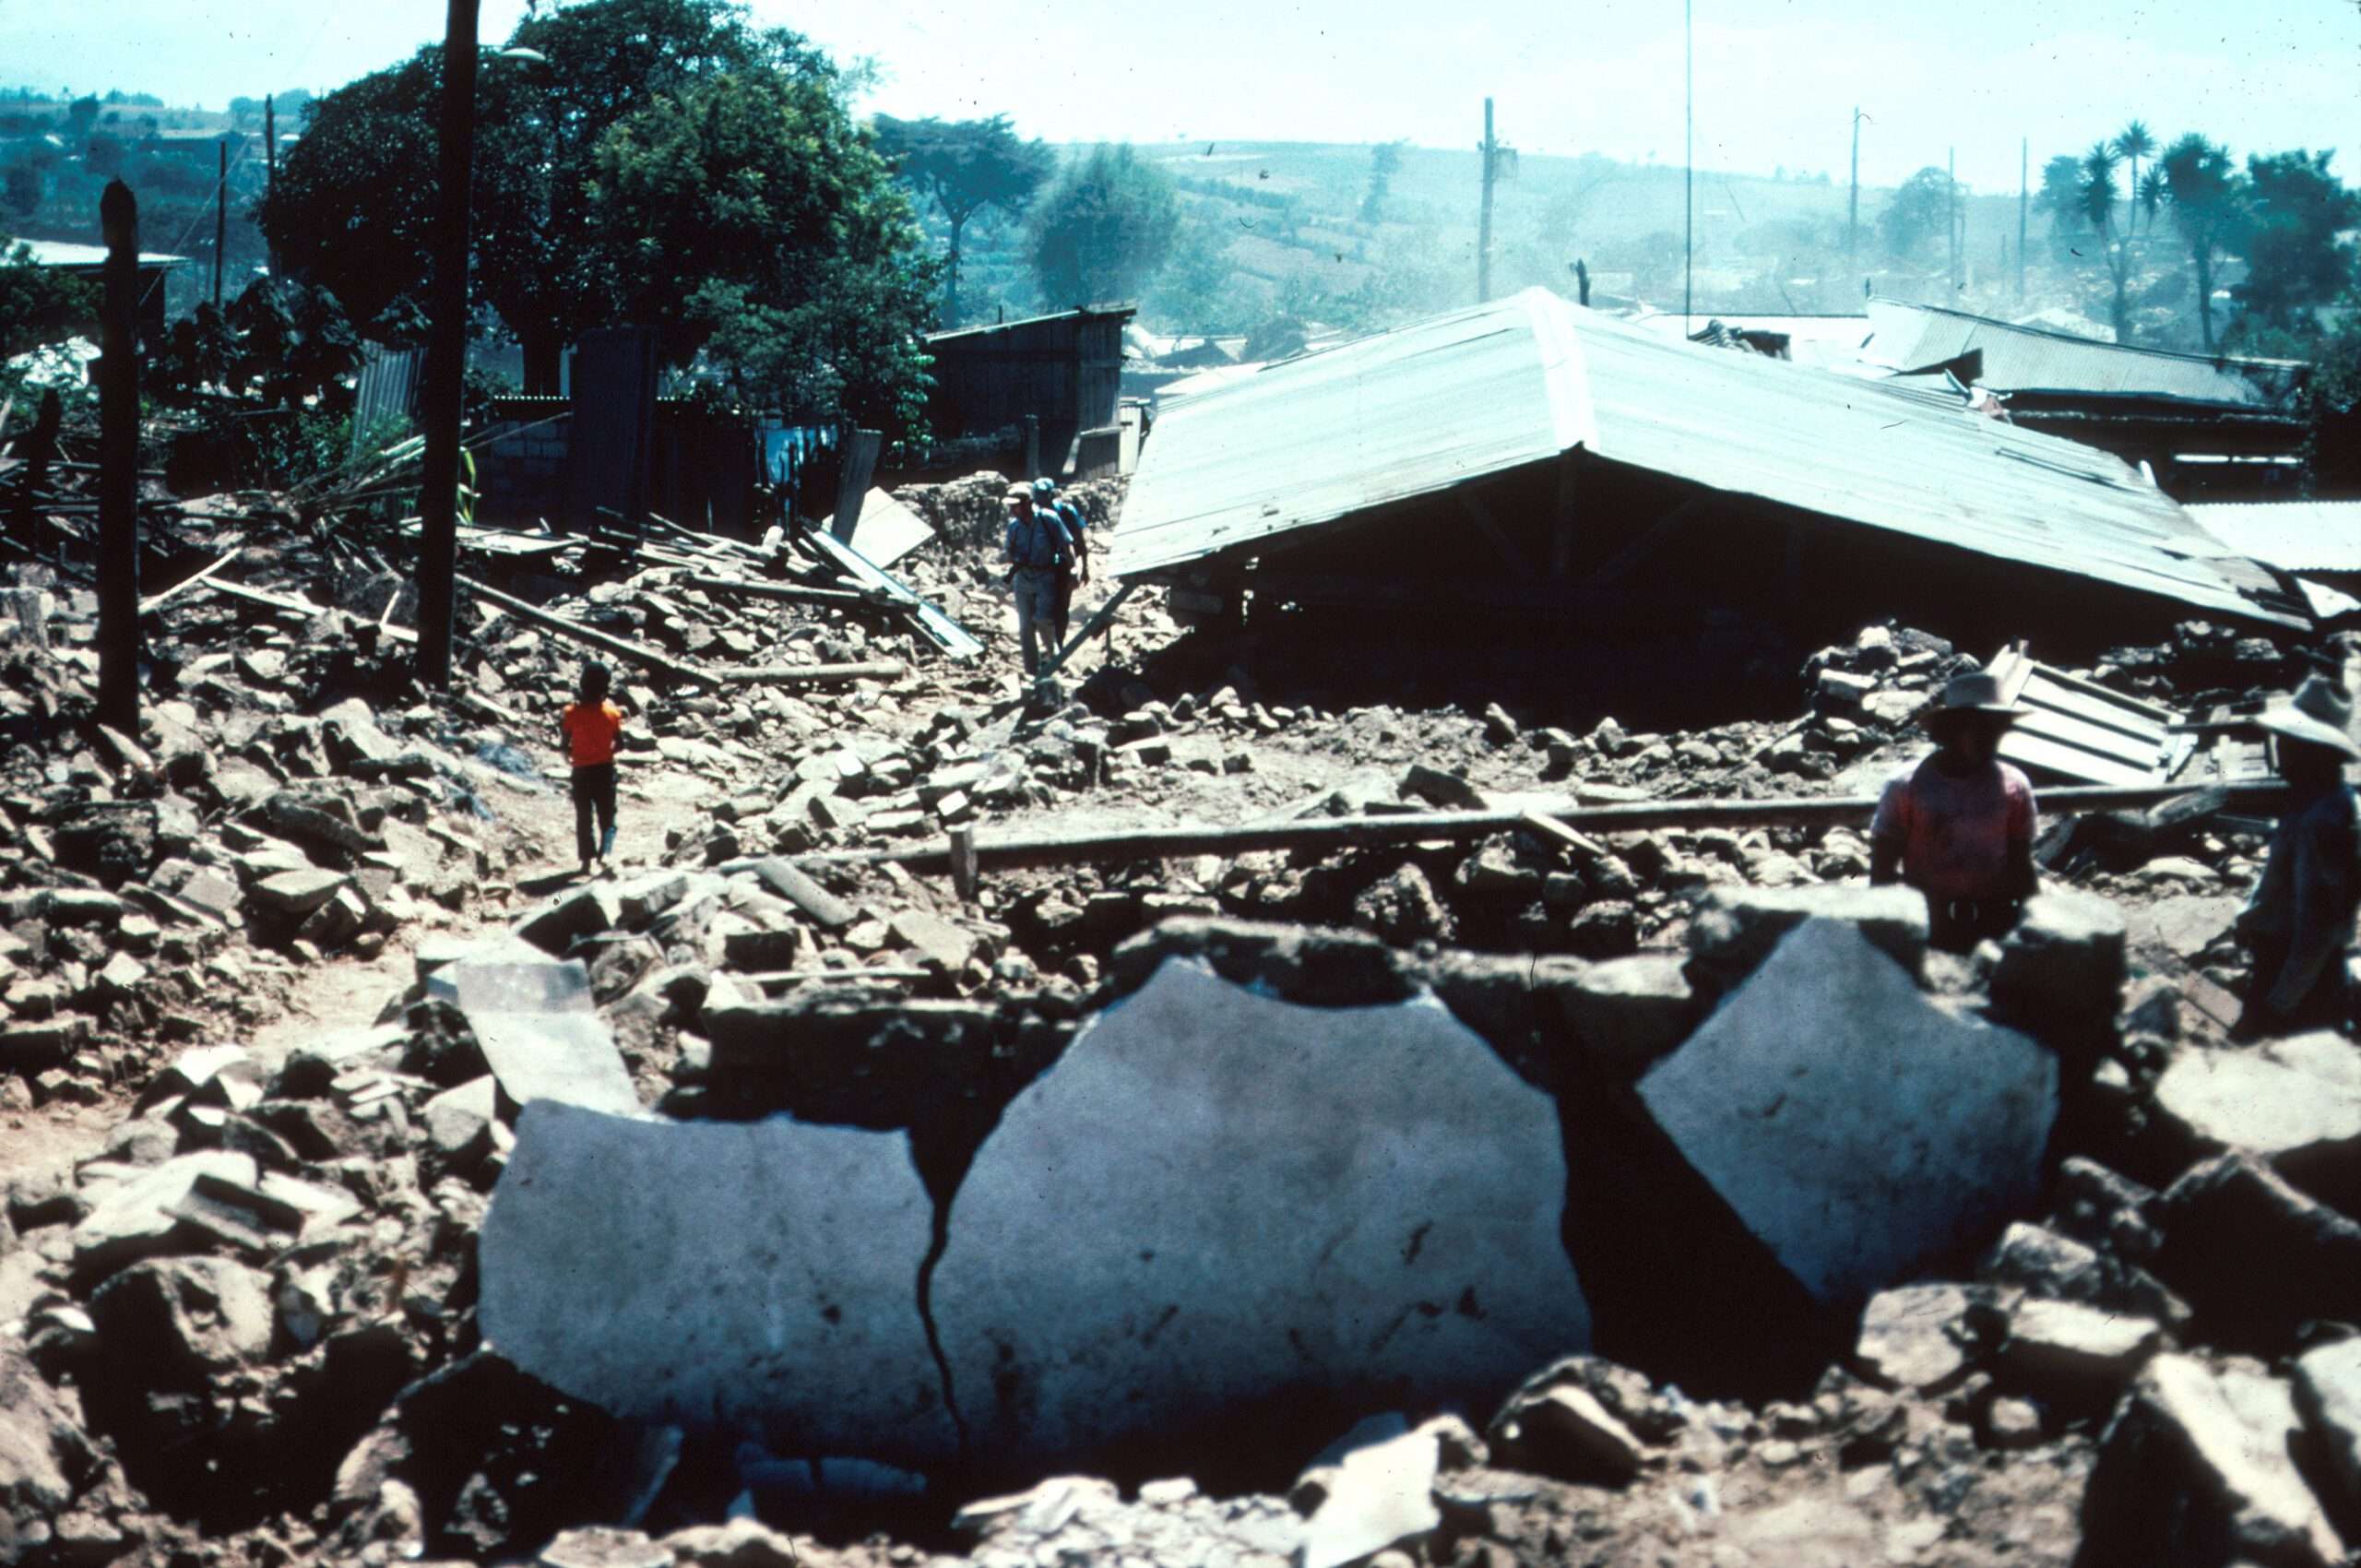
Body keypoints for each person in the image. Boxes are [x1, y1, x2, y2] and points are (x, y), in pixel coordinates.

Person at [1869, 671, 2040, 952]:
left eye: (1996, 728)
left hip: (1994, 921)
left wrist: (2034, 925)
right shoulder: (1906, 785)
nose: (1990, 738)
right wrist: (1889, 932)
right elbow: (1882, 870)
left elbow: (2021, 865)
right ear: (1951, 729)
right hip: (1926, 921)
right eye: (1978, 728)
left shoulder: (2015, 786)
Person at [2233, 672, 2361, 1039]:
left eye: (2287, 742)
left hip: (2299, 983)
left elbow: (2318, 927)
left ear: (2312, 751)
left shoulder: (2322, 822)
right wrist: (2249, 919)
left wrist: (2279, 1004)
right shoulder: (2322, 801)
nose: (2279, 751)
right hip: (2298, 970)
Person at [557, 661, 624, 878]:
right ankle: (605, 853)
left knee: (584, 816)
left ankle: (585, 862)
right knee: (608, 815)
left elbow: (564, 744)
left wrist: (573, 755)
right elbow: (620, 744)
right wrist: (606, 752)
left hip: (581, 771)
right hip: (604, 770)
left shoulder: (570, 713)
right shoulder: (613, 713)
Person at [1003, 483, 1073, 683]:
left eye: (1016, 506)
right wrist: (1016, 559)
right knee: (1026, 627)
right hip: (1023, 577)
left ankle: (1054, 658)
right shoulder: (1014, 527)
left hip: (1046, 576)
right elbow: (1009, 552)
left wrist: (1074, 570)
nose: (1012, 510)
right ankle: (1032, 672)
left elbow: (1066, 545)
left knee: (1043, 619)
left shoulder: (1048, 519)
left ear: (1028, 503)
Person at [1034, 476, 1091, 647]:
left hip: (1065, 565)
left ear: (1051, 495)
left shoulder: (1066, 511)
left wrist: (1084, 567)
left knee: (1061, 605)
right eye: (1038, 496)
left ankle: (1059, 641)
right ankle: (1050, 644)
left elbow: (1079, 540)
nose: (1040, 500)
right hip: (1044, 566)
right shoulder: (1036, 516)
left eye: (1043, 496)